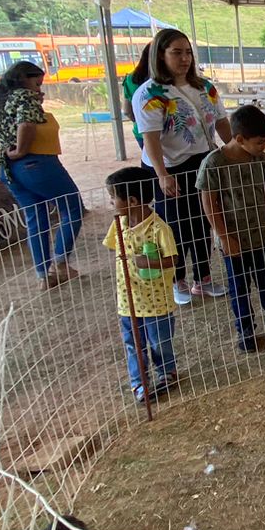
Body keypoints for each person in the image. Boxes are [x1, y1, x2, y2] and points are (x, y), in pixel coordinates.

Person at [130, 28, 231, 303]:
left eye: (187, 52)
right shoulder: (149, 93)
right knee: (174, 225)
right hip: (169, 166)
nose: (184, 58)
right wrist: (162, 174)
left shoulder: (205, 87)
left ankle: (203, 277)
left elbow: (221, 122)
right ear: (160, 56)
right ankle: (179, 279)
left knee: (202, 220)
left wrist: (236, 150)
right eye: (176, 52)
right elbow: (149, 137)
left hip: (202, 161)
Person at [200, 105, 265, 353]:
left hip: (261, 235)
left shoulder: (261, 161)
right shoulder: (214, 163)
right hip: (233, 240)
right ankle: (245, 331)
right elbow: (209, 203)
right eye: (260, 142)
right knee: (239, 287)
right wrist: (225, 237)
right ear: (240, 138)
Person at [0, 60, 83, 289]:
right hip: (37, 163)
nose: (39, 87)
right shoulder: (24, 97)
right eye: (37, 81)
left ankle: (43, 274)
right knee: (72, 208)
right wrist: (22, 149)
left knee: (36, 220)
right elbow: (26, 125)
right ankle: (61, 262)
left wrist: (14, 151)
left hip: (9, 168)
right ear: (25, 78)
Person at [103, 166, 178, 402]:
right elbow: (115, 247)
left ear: (132, 200)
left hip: (156, 302)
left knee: (159, 342)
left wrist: (150, 263)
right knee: (133, 344)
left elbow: (173, 259)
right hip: (128, 300)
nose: (111, 202)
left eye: (114, 197)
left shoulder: (159, 229)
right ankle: (139, 384)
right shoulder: (119, 224)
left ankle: (167, 371)